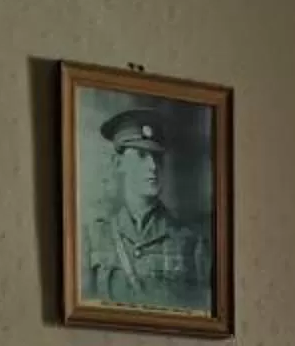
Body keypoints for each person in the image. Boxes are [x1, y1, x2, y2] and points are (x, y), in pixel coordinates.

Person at [79, 103, 211, 315]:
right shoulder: (93, 238)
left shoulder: (190, 241)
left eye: (157, 157)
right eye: (141, 155)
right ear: (117, 163)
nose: (152, 166)